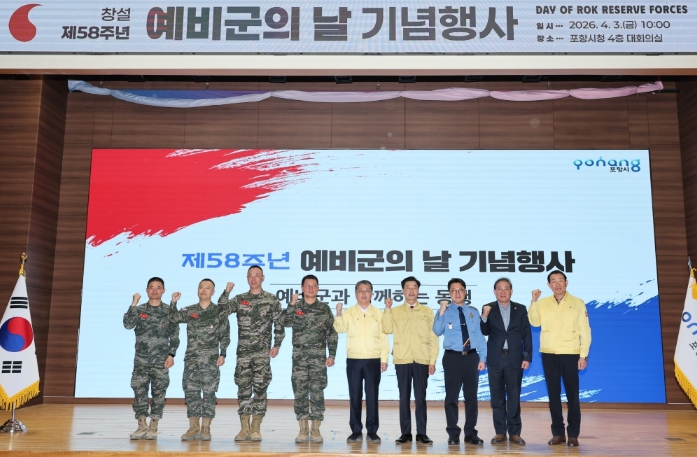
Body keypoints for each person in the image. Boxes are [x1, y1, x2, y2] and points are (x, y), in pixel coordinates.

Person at [217, 266, 286, 441]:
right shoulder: (240, 299)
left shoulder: (271, 299)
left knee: (261, 389)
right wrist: (226, 292)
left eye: (257, 275)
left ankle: (256, 427)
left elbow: (279, 324)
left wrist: (277, 345)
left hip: (262, 353)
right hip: (243, 354)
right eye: (250, 276)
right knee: (243, 389)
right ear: (247, 278)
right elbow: (222, 310)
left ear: (263, 278)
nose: (253, 278)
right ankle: (244, 428)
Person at [529, 270, 591, 447]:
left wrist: (583, 355)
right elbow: (534, 322)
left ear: (566, 282)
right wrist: (534, 301)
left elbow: (585, 331)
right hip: (549, 354)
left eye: (560, 280)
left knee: (573, 396)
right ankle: (558, 433)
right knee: (553, 395)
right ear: (549, 285)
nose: (557, 284)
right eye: (553, 281)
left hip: (570, 354)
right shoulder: (543, 303)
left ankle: (573, 435)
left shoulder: (577, 303)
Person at [169, 278, 230, 441]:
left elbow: (225, 334)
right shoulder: (190, 310)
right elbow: (173, 318)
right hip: (192, 360)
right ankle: (193, 427)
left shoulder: (219, 312)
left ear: (213, 292)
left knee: (209, 393)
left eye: (207, 288)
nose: (203, 290)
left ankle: (206, 428)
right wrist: (173, 302)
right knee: (191, 393)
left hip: (210, 360)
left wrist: (223, 353)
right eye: (201, 287)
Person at [382, 276, 439, 445]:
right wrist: (387, 309)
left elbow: (434, 337)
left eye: (414, 287)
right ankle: (405, 433)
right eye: (408, 287)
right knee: (404, 397)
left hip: (422, 359)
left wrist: (432, 360)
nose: (411, 290)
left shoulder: (427, 311)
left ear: (418, 290)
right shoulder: (395, 311)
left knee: (421, 398)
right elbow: (386, 329)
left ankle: (422, 433)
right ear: (403, 291)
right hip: (402, 359)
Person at [282, 274, 338, 443]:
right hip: (299, 359)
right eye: (307, 285)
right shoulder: (296, 306)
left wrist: (332, 354)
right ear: (302, 288)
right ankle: (303, 429)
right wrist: (291, 304)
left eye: (314, 285)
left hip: (318, 359)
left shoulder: (324, 309)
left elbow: (332, 333)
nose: (311, 288)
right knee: (299, 392)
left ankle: (315, 429)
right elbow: (285, 322)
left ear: (318, 288)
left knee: (317, 393)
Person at [123, 277, 180, 440]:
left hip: (161, 360)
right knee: (139, 391)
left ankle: (154, 426)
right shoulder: (139, 309)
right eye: (151, 287)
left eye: (158, 287)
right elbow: (128, 324)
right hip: (141, 360)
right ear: (147, 290)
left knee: (159, 393)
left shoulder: (169, 311)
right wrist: (134, 303)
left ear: (163, 291)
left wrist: (171, 355)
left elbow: (174, 336)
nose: (155, 290)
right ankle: (141, 425)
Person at [333, 280, 390, 443]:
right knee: (355, 396)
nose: (364, 294)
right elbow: (340, 328)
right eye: (360, 291)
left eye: (367, 291)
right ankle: (356, 430)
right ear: (355, 294)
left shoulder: (378, 313)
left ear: (372, 293)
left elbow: (384, 337)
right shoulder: (349, 312)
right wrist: (338, 313)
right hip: (354, 361)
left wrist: (384, 358)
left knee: (372, 396)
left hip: (373, 360)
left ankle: (372, 431)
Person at [433, 278, 487, 446]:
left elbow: (479, 336)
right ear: (449, 293)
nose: (457, 293)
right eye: (453, 290)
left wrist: (483, 358)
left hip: (471, 357)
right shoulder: (444, 312)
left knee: (471, 397)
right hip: (452, 358)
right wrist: (442, 311)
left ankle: (470, 432)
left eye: (460, 290)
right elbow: (437, 330)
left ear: (465, 292)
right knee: (451, 397)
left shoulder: (473, 312)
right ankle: (453, 433)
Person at [480, 278, 532, 445]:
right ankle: (500, 432)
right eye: (499, 289)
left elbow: (526, 333)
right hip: (495, 359)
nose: (503, 292)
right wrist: (484, 317)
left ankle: (515, 433)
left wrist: (527, 356)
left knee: (514, 397)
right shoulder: (488, 308)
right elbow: (484, 331)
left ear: (511, 291)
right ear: (494, 291)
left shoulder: (520, 309)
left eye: (506, 288)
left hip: (515, 359)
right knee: (497, 398)